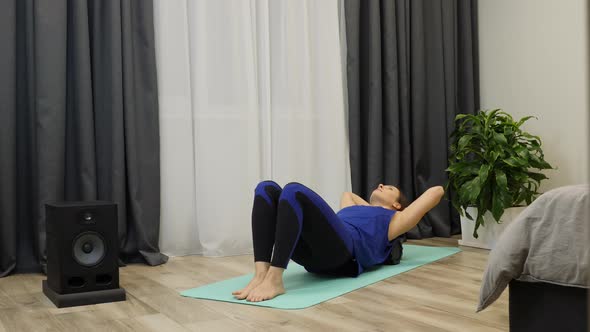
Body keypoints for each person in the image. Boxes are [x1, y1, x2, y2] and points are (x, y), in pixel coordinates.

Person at [232, 181, 445, 302]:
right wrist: (373, 206)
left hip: (343, 253)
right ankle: (261, 274)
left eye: (388, 188)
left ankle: (275, 279)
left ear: (398, 205)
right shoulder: (351, 208)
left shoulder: (395, 220)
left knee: (293, 190)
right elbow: (348, 194)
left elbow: (437, 191)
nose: (381, 184)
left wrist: (395, 210)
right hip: (316, 251)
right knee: (265, 188)